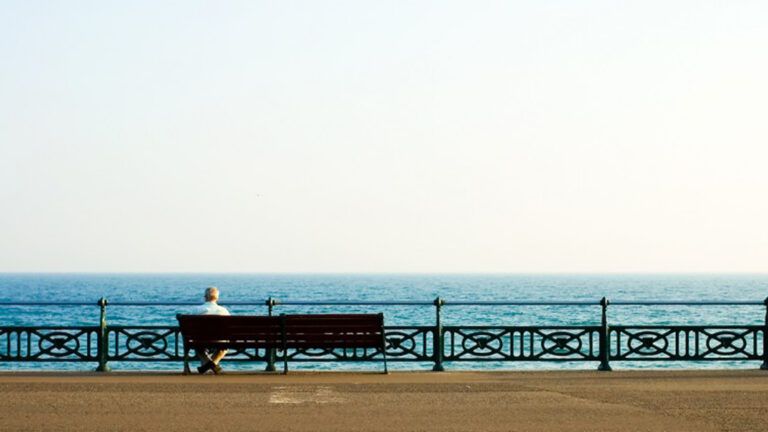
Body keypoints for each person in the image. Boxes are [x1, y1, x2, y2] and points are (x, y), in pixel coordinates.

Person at [193, 286, 230, 374]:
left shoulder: (197, 310)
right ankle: (213, 365)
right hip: (219, 340)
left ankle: (206, 366)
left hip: (200, 340)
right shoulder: (224, 311)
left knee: (198, 348)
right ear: (217, 298)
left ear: (205, 297)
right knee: (224, 348)